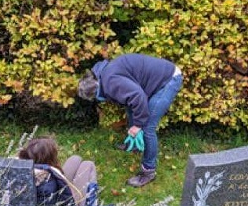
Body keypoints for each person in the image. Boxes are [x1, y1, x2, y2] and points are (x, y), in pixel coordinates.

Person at [77, 53, 183, 186]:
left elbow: (139, 97)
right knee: (130, 108)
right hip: (161, 75)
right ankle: (134, 145)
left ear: (95, 91)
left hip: (168, 80)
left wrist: (137, 125)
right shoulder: (102, 75)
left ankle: (148, 172)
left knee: (147, 127)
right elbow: (132, 98)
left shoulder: (111, 82)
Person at [18, 136, 115, 206]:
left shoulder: (20, 168)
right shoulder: (47, 178)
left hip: (54, 197)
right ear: (49, 157)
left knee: (75, 159)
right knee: (88, 165)